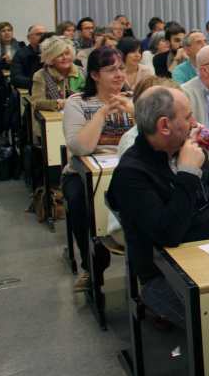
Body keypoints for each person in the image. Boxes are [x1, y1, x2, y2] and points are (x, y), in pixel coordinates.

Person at [108, 86, 209, 329]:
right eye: (187, 117)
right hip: (165, 274)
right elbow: (169, 233)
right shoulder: (131, 173)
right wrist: (188, 173)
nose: (195, 123)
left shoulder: (187, 147)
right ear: (164, 126)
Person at [62, 47, 134, 291]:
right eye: (111, 69)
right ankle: (91, 265)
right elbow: (81, 147)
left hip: (126, 170)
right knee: (78, 200)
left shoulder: (134, 98)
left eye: (121, 68)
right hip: (85, 171)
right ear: (94, 75)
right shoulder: (78, 102)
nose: (119, 75)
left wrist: (133, 110)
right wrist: (103, 112)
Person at [31, 36, 86, 111]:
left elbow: (94, 97)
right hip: (55, 118)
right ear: (51, 58)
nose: (64, 57)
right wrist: (57, 103)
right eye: (59, 55)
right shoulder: (41, 75)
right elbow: (36, 103)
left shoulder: (82, 72)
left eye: (67, 53)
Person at [10, 23, 47, 90]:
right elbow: (16, 78)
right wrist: (38, 83)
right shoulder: (21, 54)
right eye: (39, 34)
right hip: (30, 90)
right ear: (29, 38)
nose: (43, 37)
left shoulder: (52, 52)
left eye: (45, 34)